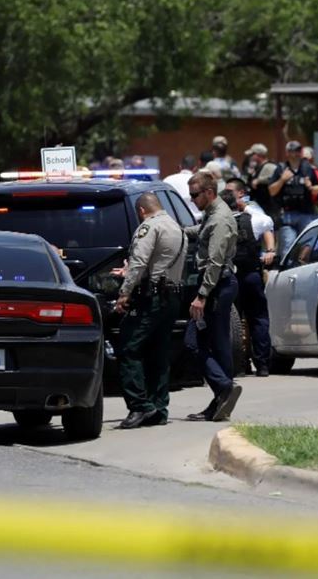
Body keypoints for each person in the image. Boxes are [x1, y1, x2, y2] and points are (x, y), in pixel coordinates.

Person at [112, 192, 187, 429]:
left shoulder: (148, 227)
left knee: (128, 347)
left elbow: (139, 262)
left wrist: (124, 293)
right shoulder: (177, 227)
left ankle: (140, 406)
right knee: (158, 352)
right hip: (172, 296)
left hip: (153, 297)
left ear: (142, 211)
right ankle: (158, 408)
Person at [183, 171, 241, 422]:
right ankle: (221, 398)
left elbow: (215, 261)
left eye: (195, 195)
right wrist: (182, 231)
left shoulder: (220, 220)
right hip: (219, 285)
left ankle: (223, 387)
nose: (192, 199)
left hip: (217, 286)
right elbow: (201, 230)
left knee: (193, 341)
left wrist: (202, 295)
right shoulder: (212, 216)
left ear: (209, 192)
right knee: (218, 344)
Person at [223, 180, 276, 377]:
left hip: (237, 277)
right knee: (255, 319)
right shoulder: (254, 218)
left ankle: (246, 364)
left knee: (241, 320)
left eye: (230, 192)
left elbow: (268, 229)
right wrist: (270, 250)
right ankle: (258, 364)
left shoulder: (222, 220)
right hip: (246, 275)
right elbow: (268, 227)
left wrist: (270, 250)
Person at [268, 140, 318, 258]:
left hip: (306, 213)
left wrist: (311, 187)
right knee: (288, 245)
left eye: (297, 151)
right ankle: (287, 270)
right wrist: (282, 180)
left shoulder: (308, 169)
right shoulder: (281, 168)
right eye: (292, 151)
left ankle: (302, 264)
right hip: (287, 215)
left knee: (309, 244)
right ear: (287, 153)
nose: (295, 154)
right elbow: (271, 191)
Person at [243, 143, 280, 220]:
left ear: (258, 155)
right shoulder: (257, 167)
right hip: (259, 206)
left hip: (268, 208)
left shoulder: (269, 166)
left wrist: (259, 181)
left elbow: (273, 179)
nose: (250, 157)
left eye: (252, 154)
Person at [163, 155, 200, 219]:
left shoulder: (167, 180)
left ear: (180, 167)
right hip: (196, 222)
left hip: (172, 222)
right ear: (195, 168)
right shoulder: (199, 181)